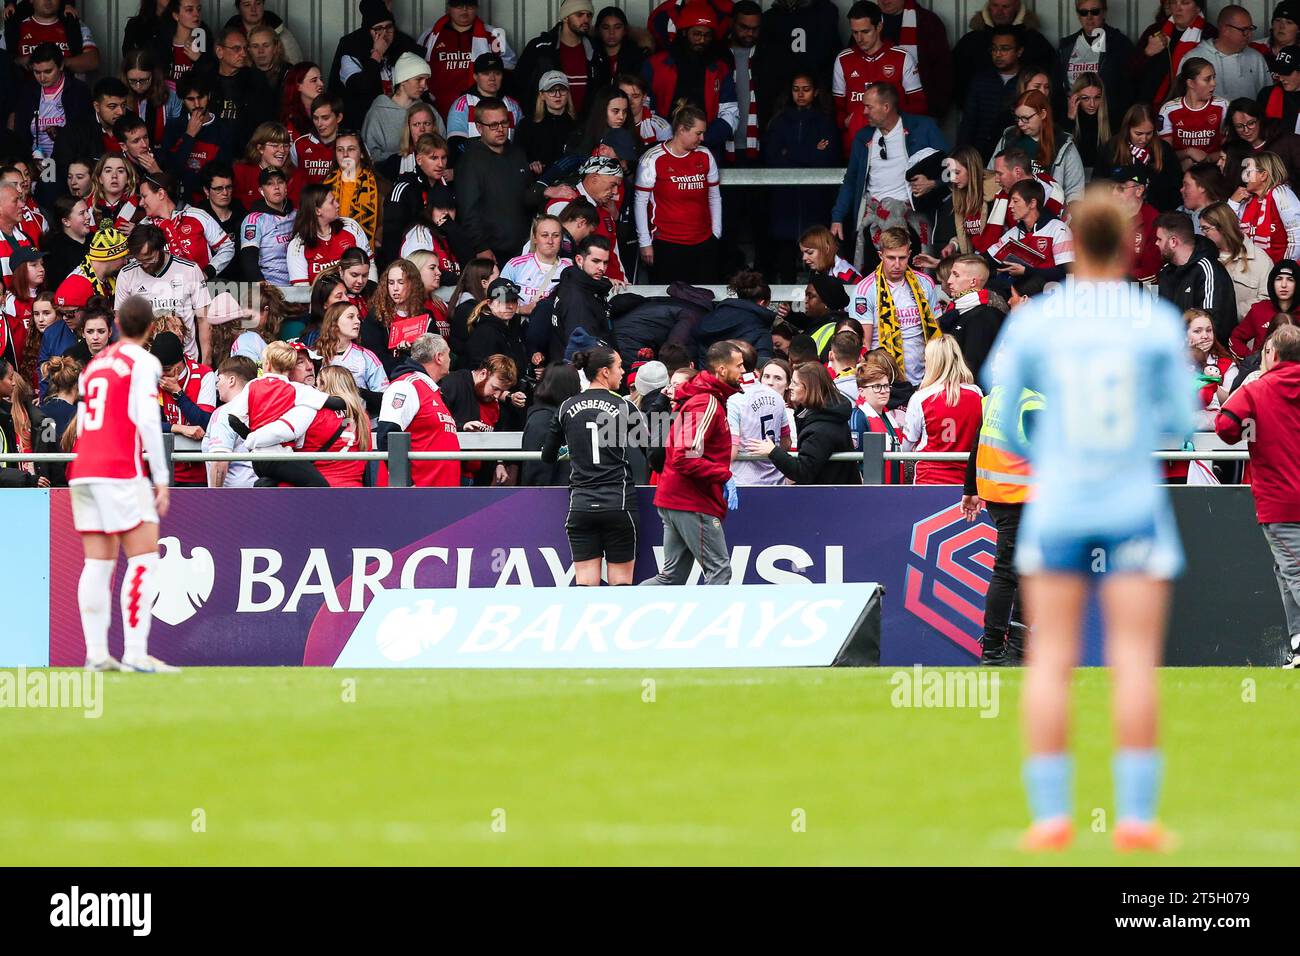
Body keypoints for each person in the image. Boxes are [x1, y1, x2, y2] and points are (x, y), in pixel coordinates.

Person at [989, 188, 1196, 851]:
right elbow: (1180, 425)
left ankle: (1051, 818)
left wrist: (1046, 452)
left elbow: (1006, 409)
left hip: (1060, 504)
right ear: (1131, 243)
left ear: (1072, 242)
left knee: (1051, 659)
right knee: (1134, 659)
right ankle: (1136, 818)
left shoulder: (1037, 320)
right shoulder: (1155, 320)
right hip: (1132, 501)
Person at [67, 295, 176, 673]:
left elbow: (81, 423)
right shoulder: (144, 361)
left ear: (115, 323)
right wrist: (160, 477)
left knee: (97, 563)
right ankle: (135, 652)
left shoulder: (95, 364)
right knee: (144, 557)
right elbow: (147, 418)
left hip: (83, 469)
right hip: (118, 469)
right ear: (150, 328)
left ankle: (96, 653)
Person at [1215, 324, 1300, 668]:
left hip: (1280, 501)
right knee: (1286, 571)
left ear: (1272, 354)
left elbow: (1225, 429)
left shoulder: (1257, 389)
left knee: (1293, 570)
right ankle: (1298, 645)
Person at [540, 345, 644, 585]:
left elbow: (547, 456)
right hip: (618, 503)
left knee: (586, 585)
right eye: (619, 366)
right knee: (621, 584)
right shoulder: (625, 406)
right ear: (604, 372)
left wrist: (572, 449)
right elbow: (650, 450)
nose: (622, 371)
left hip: (581, 505)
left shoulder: (566, 406)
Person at [643, 340, 743, 586]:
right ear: (721, 370)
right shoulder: (708, 401)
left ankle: (629, 611)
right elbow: (685, 456)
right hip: (691, 500)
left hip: (676, 496)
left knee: (671, 578)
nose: (743, 371)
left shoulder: (703, 398)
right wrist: (724, 475)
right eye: (739, 366)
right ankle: (710, 624)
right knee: (719, 572)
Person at [830, 82, 947, 273]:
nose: (864, 112)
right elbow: (851, 180)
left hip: (911, 221)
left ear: (886, 107)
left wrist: (933, 183)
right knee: (872, 281)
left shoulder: (923, 127)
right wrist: (837, 217)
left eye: (869, 106)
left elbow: (952, 167)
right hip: (872, 222)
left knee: (912, 280)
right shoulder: (863, 137)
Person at [634, 105, 721, 284]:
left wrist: (716, 233)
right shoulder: (653, 158)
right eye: (698, 133)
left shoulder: (705, 155)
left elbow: (714, 197)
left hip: (702, 241)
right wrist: (644, 242)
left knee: (702, 299)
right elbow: (640, 202)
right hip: (667, 242)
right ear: (682, 130)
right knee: (667, 302)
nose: (702, 138)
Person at [641, 3, 740, 152]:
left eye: (707, 35)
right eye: (697, 34)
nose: (702, 40)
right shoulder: (655, 65)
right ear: (684, 32)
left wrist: (704, 138)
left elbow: (731, 112)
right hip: (661, 148)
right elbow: (642, 108)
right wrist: (667, 140)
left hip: (707, 148)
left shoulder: (720, 68)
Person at [455, 98, 539, 265]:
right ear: (479, 127)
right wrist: (481, 247)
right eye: (493, 125)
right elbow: (468, 210)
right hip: (492, 252)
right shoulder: (469, 161)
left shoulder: (518, 153)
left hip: (524, 248)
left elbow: (527, 197)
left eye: (504, 123)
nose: (500, 129)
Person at [832, 1, 925, 152]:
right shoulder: (843, 59)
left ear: (879, 27)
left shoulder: (902, 58)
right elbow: (836, 107)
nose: (859, 38)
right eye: (855, 32)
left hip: (896, 146)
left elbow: (918, 105)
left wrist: (896, 123)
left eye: (865, 31)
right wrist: (846, 122)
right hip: (856, 148)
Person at [746, 359, 857, 485]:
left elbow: (803, 471)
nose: (790, 387)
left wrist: (773, 451)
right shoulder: (818, 414)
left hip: (829, 498)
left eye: (795, 383)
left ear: (810, 388)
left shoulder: (821, 430)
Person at [115, 224, 212, 363]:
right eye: (139, 260)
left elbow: (204, 319)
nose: (145, 265)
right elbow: (121, 322)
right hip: (145, 363)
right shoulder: (126, 275)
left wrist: (206, 363)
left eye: (149, 259)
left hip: (186, 361)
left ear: (161, 249)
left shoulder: (189, 270)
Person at [376, 332, 461, 487]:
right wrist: (406, 484)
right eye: (448, 354)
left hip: (439, 494)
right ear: (439, 357)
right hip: (415, 496)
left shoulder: (432, 391)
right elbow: (386, 436)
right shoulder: (406, 386)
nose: (451, 359)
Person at [900, 334, 982, 485]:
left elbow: (906, 446)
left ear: (933, 363)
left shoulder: (921, 398)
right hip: (968, 481)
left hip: (929, 479)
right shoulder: (976, 394)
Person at [418, 0, 519, 121]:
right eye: (459, 5)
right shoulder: (431, 35)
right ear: (449, 8)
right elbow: (417, 70)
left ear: (477, 7)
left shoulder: (493, 34)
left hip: (481, 111)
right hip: (436, 110)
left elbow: (509, 68)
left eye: (470, 5)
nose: (464, 10)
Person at [1154, 210, 1237, 344]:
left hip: (1206, 357)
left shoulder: (1208, 270)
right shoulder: (1165, 272)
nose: (1156, 244)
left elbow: (1211, 324)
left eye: (1159, 239)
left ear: (1173, 241)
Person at [137, 170, 234, 279]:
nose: (141, 203)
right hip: (163, 291)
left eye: (144, 196)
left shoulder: (197, 215)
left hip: (202, 288)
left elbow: (227, 246)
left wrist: (207, 273)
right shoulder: (143, 227)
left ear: (161, 194)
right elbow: (135, 262)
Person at [993, 90, 1086, 202]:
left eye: (1026, 118)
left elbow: (1075, 191)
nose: (1020, 123)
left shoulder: (1064, 145)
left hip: (1049, 213)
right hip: (1010, 209)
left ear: (1043, 114)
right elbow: (992, 174)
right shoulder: (1008, 139)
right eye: (1018, 118)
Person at [150, 329, 215, 487]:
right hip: (161, 470)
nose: (161, 375)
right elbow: (146, 423)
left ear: (179, 365)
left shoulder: (204, 375)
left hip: (197, 472)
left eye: (165, 370)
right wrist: (180, 428)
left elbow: (206, 422)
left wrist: (177, 393)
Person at [515, 0, 605, 115]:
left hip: (585, 127)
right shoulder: (540, 48)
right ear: (565, 17)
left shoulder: (596, 51)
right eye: (579, 15)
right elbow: (520, 86)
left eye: (589, 15)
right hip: (547, 126)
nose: (586, 19)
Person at [724, 339, 789, 486]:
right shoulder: (776, 397)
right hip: (776, 482)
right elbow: (786, 442)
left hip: (743, 484)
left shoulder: (734, 400)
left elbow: (731, 452)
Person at [987, 179, 1075, 287]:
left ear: (1032, 203)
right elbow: (989, 258)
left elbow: (1065, 271)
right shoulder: (1014, 232)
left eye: (1015, 201)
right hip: (1018, 288)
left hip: (1046, 294)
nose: (1010, 206)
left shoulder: (1058, 229)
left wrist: (1026, 271)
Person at [1056, 1, 1134, 122]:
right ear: (1078, 15)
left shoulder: (1119, 43)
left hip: (1108, 120)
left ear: (1104, 12)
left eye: (1095, 12)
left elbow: (1129, 87)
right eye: (1083, 12)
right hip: (1074, 119)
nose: (1089, 17)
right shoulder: (1066, 45)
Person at [1098, 102, 1182, 211]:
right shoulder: (1112, 148)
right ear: (1127, 129)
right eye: (1138, 134)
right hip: (1116, 214)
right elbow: (1098, 183)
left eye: (1149, 133)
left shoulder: (1163, 149)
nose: (1144, 139)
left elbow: (1175, 186)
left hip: (1156, 214)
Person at [287, 184, 374, 286]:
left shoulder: (351, 226)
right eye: (332, 202)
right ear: (317, 210)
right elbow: (301, 290)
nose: (337, 205)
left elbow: (370, 265)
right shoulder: (297, 245)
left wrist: (370, 296)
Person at [546, 234, 613, 362]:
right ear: (579, 260)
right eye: (595, 261)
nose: (601, 268)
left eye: (605, 262)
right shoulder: (577, 299)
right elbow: (580, 352)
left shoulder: (572, 281)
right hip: (581, 372)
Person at [1134, 0, 1214, 107]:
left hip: (1192, 108)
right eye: (1173, 2)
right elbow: (1130, 72)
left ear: (1198, 7)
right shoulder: (1155, 30)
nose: (1178, 8)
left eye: (1185, 3)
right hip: (1151, 106)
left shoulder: (1209, 34)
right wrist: (1147, 53)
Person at [1201, 200, 1270, 323]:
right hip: (1208, 336)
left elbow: (1267, 301)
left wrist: (1230, 313)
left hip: (1245, 337)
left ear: (1222, 227)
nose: (1203, 234)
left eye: (1206, 229)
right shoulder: (1202, 259)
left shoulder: (1259, 259)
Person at [1187, 5, 1270, 105]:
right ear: (1225, 30)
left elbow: (1268, 100)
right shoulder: (1194, 58)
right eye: (1244, 30)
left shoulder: (1256, 59)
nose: (1249, 34)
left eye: (1251, 29)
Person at [941, 255, 1004, 384]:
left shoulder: (984, 317)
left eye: (956, 275)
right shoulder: (957, 311)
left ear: (973, 282)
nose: (949, 281)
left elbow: (974, 366)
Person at [1157, 57, 1228, 170]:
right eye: (1207, 79)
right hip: (1179, 170)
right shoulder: (1169, 109)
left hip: (1214, 170)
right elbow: (1164, 155)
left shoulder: (1223, 106)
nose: (1214, 83)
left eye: (1214, 78)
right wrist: (1188, 152)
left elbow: (1229, 150)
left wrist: (1207, 159)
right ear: (1190, 83)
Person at [361, 52, 432, 163]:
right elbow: (369, 154)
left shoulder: (428, 111)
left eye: (426, 80)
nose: (424, 85)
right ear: (403, 80)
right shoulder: (378, 112)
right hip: (385, 178)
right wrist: (403, 158)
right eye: (419, 79)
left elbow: (442, 147)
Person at [520, 361, 581, 486]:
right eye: (577, 384)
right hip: (549, 498)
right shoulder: (542, 420)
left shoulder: (562, 415)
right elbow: (537, 470)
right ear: (568, 386)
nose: (580, 388)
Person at [446, 52, 525, 146]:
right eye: (486, 73)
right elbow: (455, 145)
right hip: (474, 160)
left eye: (497, 73)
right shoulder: (463, 104)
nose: (492, 78)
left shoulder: (513, 105)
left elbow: (523, 143)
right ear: (475, 76)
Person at [1239, 151, 1300, 264]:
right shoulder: (1247, 200)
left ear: (1263, 175)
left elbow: (1296, 237)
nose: (1244, 177)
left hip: (1278, 272)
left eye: (1248, 172)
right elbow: (1230, 233)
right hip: (1253, 271)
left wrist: (1284, 268)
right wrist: (1233, 202)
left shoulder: (1281, 193)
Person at [501, 215, 571, 311]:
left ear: (561, 239)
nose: (550, 241)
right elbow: (498, 299)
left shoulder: (569, 270)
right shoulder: (516, 265)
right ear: (534, 238)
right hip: (517, 324)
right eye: (544, 235)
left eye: (556, 235)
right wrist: (521, 310)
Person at [1232, 258, 1299, 356]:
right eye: (1279, 279)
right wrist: (1251, 360)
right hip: (1261, 369)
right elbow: (1236, 338)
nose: (1284, 285)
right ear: (1272, 282)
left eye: (1290, 280)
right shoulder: (1260, 310)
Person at [516, 71, 578, 175]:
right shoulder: (527, 125)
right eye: (551, 90)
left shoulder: (578, 124)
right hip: (538, 182)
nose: (557, 95)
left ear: (568, 93)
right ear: (542, 95)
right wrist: (531, 163)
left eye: (562, 89)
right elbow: (518, 155)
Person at [224, 0, 304, 65]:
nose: (253, 9)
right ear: (239, 9)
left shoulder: (280, 32)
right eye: (247, 5)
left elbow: (296, 64)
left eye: (258, 3)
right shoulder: (230, 36)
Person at [1178, 160, 1228, 233]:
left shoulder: (1221, 218)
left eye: (1186, 185)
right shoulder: (1179, 213)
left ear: (1202, 187)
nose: (1181, 190)